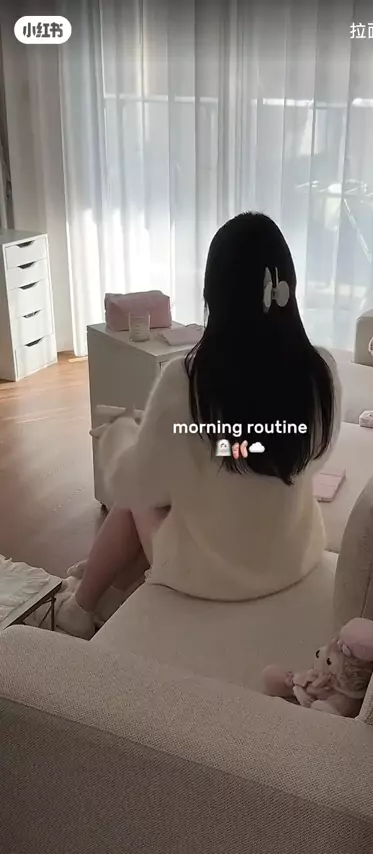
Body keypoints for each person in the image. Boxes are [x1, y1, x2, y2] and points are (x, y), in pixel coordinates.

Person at [50, 212, 341, 638]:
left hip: (212, 577)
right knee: (180, 488)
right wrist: (208, 449)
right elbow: (283, 452)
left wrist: (121, 433)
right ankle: (97, 584)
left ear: (214, 294)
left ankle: (78, 608)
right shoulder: (321, 372)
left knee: (137, 503)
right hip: (291, 558)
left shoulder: (188, 380)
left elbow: (133, 486)